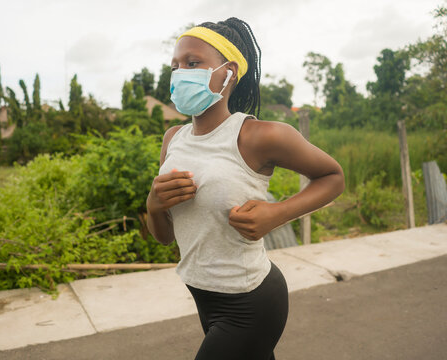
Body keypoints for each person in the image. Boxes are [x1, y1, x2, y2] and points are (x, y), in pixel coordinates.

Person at [146, 17, 345, 360]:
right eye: (175, 65)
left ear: (229, 72)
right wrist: (153, 206)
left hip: (251, 301)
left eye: (193, 63)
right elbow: (165, 238)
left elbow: (333, 177)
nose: (180, 73)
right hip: (202, 297)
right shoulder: (173, 140)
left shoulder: (258, 136)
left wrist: (276, 213)